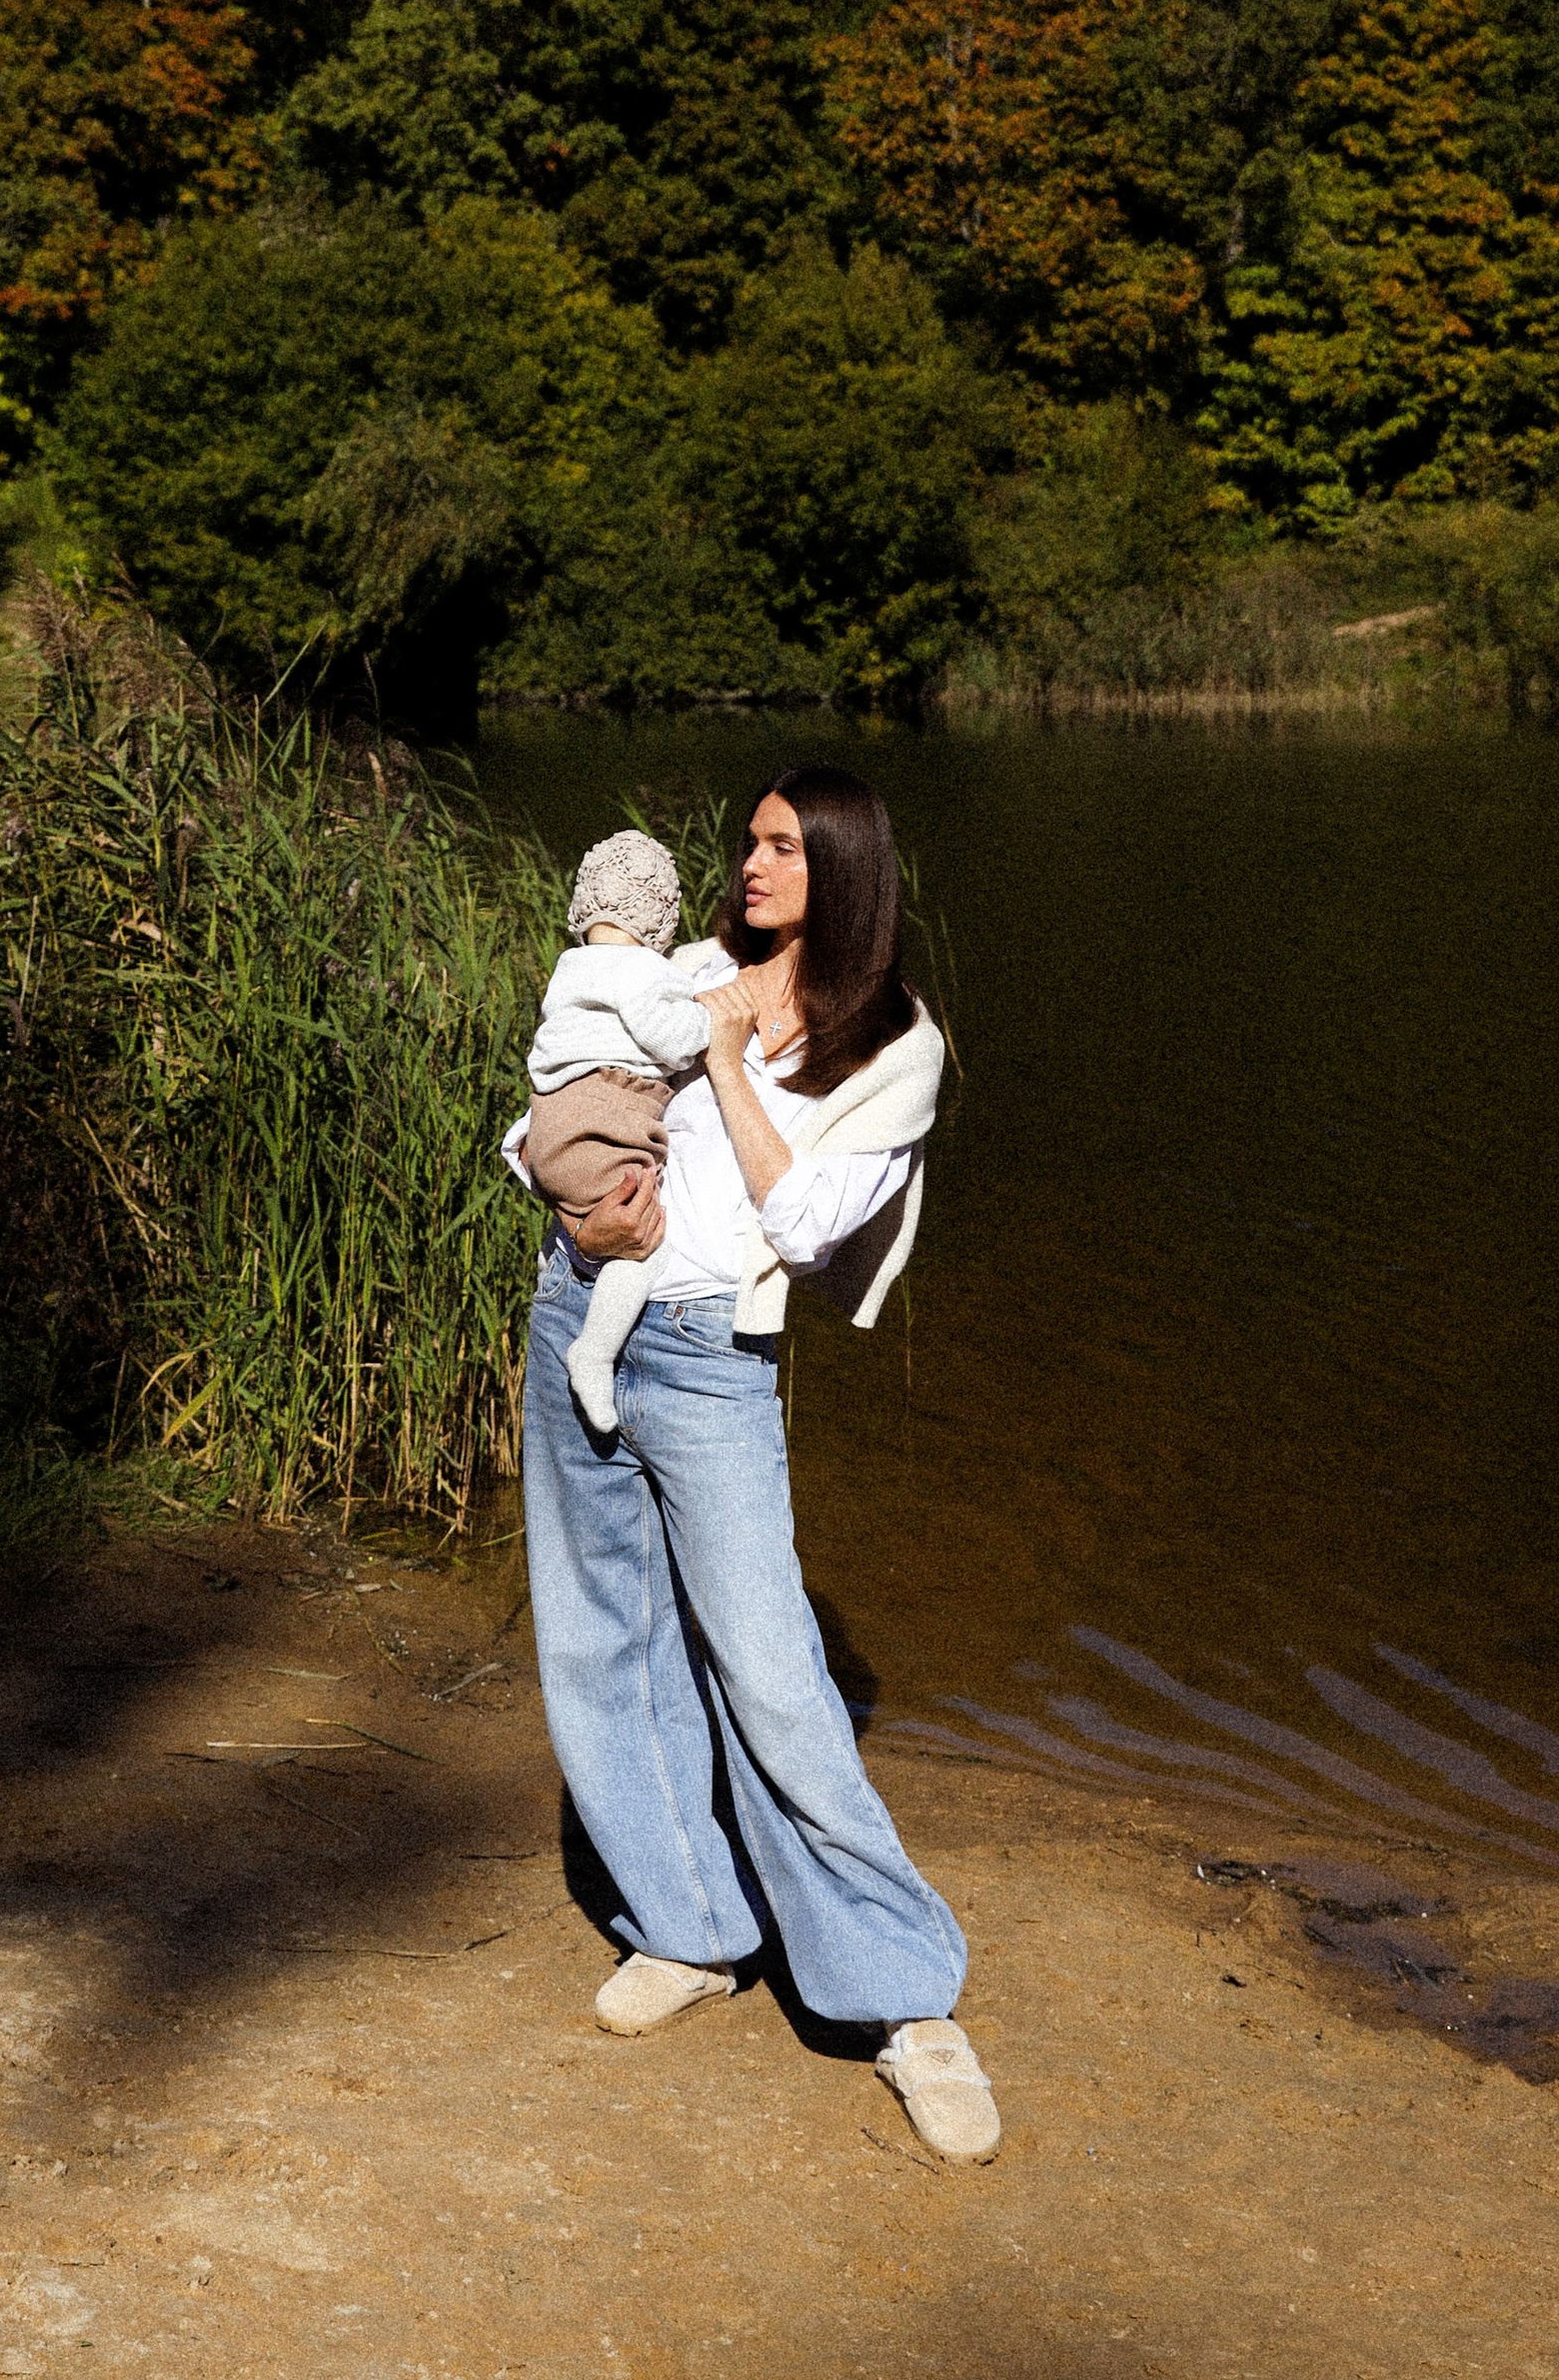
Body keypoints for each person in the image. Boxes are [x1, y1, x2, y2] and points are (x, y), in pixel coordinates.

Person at [512, 761, 1002, 2163]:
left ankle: (904, 1999)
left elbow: (805, 1220)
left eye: (782, 846)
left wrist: (724, 1054)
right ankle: (688, 1925)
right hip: (580, 1309)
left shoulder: (896, 1040)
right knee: (607, 1634)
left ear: (844, 864)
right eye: (748, 842)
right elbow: (549, 1093)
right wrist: (574, 1201)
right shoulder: (680, 967)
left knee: (773, 1670)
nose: (751, 864)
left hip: (711, 1355)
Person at [516, 829, 713, 1435]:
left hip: (549, 1132)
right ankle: (594, 1352)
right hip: (601, 1129)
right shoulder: (641, 974)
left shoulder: (570, 970)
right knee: (649, 1243)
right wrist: (713, 1020)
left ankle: (591, 1342)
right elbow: (676, 1041)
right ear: (660, 926)